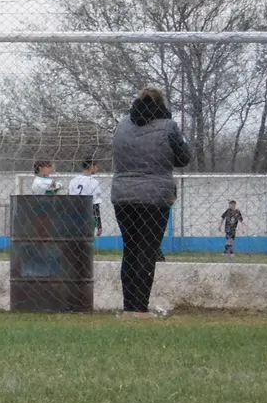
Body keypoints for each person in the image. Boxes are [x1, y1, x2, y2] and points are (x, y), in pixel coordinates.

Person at [111, 85, 191, 316]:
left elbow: (119, 154)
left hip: (123, 196)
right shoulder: (168, 127)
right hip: (155, 198)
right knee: (148, 249)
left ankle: (128, 307)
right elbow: (183, 158)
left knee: (131, 249)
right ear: (161, 104)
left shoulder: (122, 126)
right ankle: (140, 307)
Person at [68, 158, 103, 236]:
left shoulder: (73, 180)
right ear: (91, 166)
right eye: (95, 166)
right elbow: (95, 205)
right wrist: (99, 225)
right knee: (87, 241)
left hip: (74, 215)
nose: (97, 168)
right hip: (87, 216)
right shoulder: (94, 182)